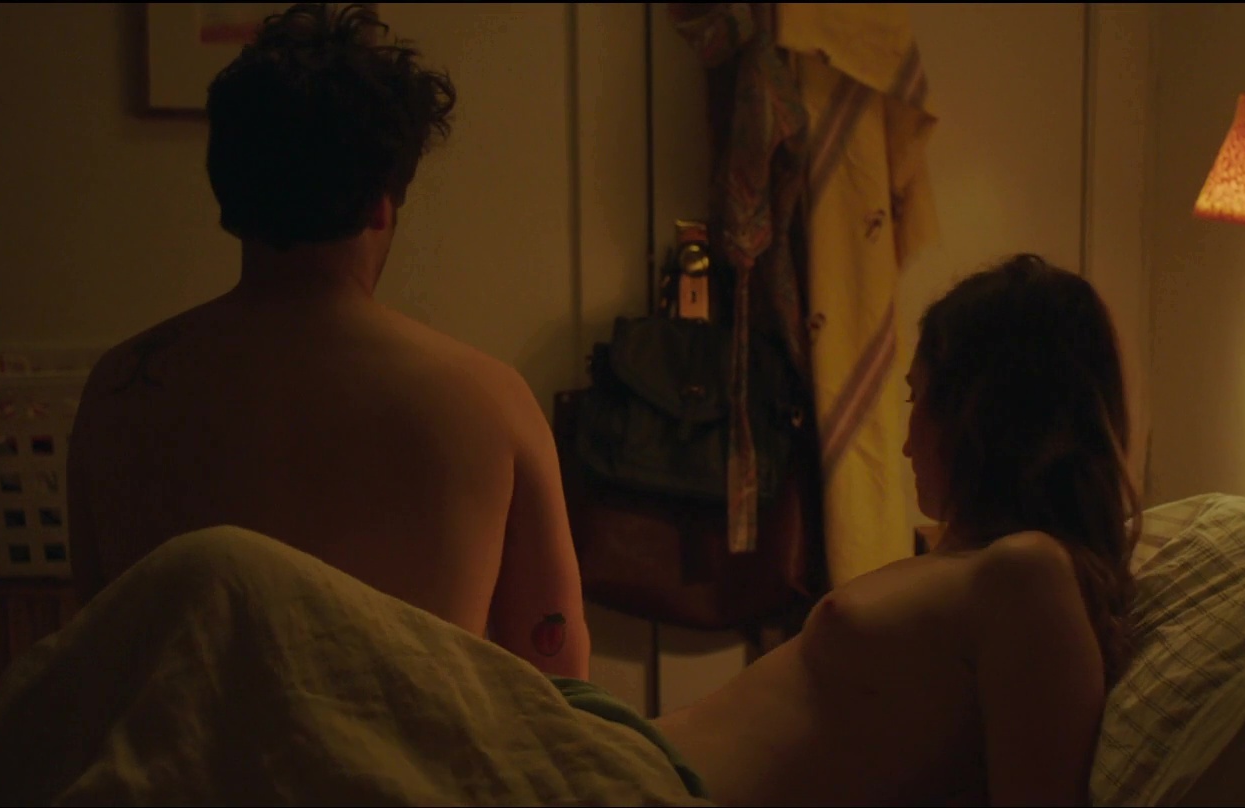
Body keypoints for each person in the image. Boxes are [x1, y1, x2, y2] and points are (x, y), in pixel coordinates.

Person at [66, 3, 590, 679]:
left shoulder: (119, 389)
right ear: (381, 204)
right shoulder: (491, 402)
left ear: (228, 195)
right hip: (407, 750)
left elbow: (97, 650)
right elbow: (558, 681)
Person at [650, 254, 1142, 805]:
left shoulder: (1029, 573)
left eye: (916, 397)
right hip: (635, 767)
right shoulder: (971, 564)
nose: (906, 443)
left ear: (980, 411)